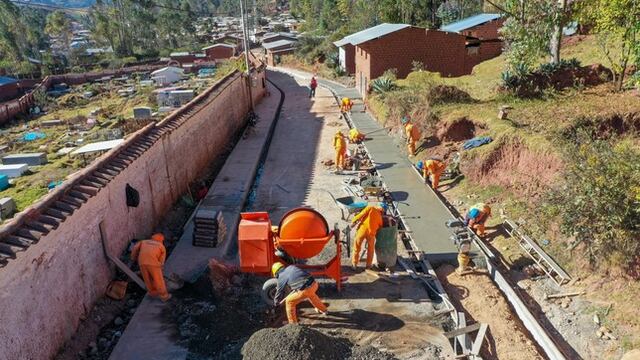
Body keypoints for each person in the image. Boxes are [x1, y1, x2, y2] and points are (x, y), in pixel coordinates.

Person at [131, 233, 171, 301]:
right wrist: (160, 266)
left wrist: (133, 258)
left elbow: (135, 248)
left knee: (147, 279)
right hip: (154, 263)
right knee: (158, 280)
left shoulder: (144, 241)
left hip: (142, 262)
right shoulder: (161, 246)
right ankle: (164, 296)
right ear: (161, 240)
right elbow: (162, 259)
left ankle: (153, 293)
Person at [350, 202, 386, 269]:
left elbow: (361, 214)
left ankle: (354, 264)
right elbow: (380, 228)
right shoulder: (380, 219)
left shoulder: (370, 208)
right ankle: (368, 266)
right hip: (371, 234)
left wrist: (353, 221)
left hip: (361, 231)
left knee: (356, 247)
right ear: (383, 210)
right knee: (371, 250)